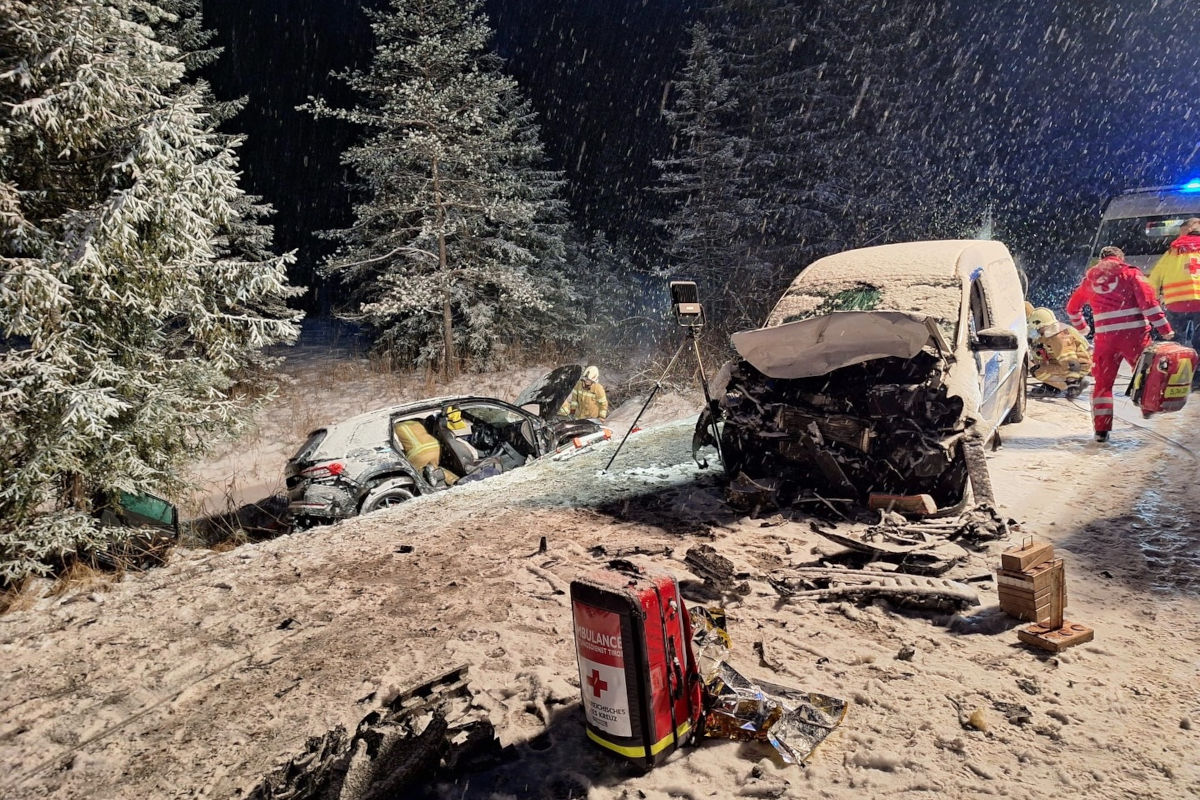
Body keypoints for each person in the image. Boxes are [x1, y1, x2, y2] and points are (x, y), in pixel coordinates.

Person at [1066, 246, 1174, 442]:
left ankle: (1101, 430)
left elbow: (1072, 308)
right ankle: (1147, 407)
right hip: (1135, 336)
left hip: (1105, 339)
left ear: (1101, 260)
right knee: (1146, 374)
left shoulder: (1089, 280)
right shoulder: (1130, 273)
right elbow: (1148, 304)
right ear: (1120, 258)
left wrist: (1083, 328)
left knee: (1103, 385)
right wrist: (1165, 329)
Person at [1147, 217, 1200, 385]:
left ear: (1187, 230)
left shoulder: (1173, 250)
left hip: (1176, 303)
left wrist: (1151, 300)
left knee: (1176, 340)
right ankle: (1197, 376)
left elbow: (1155, 276)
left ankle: (1175, 374)